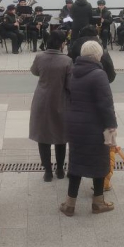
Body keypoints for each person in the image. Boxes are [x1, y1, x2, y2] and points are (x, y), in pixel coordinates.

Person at [59, 41, 117, 216]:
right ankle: (98, 202)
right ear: (97, 55)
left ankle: (69, 204)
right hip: (95, 125)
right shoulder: (99, 74)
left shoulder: (74, 72)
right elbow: (106, 105)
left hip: (75, 124)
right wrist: (111, 129)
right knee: (99, 161)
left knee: (76, 162)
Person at [29, 30, 72, 182]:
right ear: (61, 44)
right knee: (61, 137)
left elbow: (34, 71)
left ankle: (47, 171)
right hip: (60, 101)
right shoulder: (67, 61)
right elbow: (70, 84)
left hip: (41, 101)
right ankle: (60, 169)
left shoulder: (40, 57)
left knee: (43, 136)